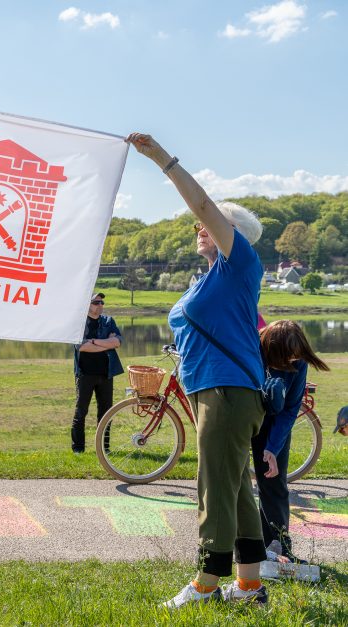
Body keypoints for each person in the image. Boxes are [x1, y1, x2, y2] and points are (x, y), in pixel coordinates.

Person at [127, 133, 269, 607]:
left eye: (211, 224)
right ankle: (249, 586)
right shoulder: (209, 279)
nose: (199, 226)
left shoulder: (240, 264)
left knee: (212, 485)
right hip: (216, 390)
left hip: (227, 392)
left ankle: (207, 582)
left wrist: (161, 160)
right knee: (235, 490)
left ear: (234, 235)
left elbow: (204, 206)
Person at [253, 320, 329, 562]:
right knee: (234, 486)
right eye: (285, 360)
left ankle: (279, 547)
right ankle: (246, 550)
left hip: (274, 423)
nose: (290, 364)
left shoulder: (299, 362)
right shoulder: (252, 348)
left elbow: (289, 411)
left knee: (274, 483)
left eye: (295, 359)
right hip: (243, 415)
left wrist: (272, 449)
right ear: (270, 348)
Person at [70, 292, 123, 453]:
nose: (100, 306)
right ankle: (78, 449)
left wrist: (93, 341)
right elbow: (82, 347)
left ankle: (104, 448)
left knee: (106, 413)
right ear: (88, 305)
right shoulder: (78, 324)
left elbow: (117, 342)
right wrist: (106, 343)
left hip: (106, 373)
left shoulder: (108, 321)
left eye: (101, 303)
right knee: (81, 411)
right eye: (96, 303)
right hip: (85, 374)